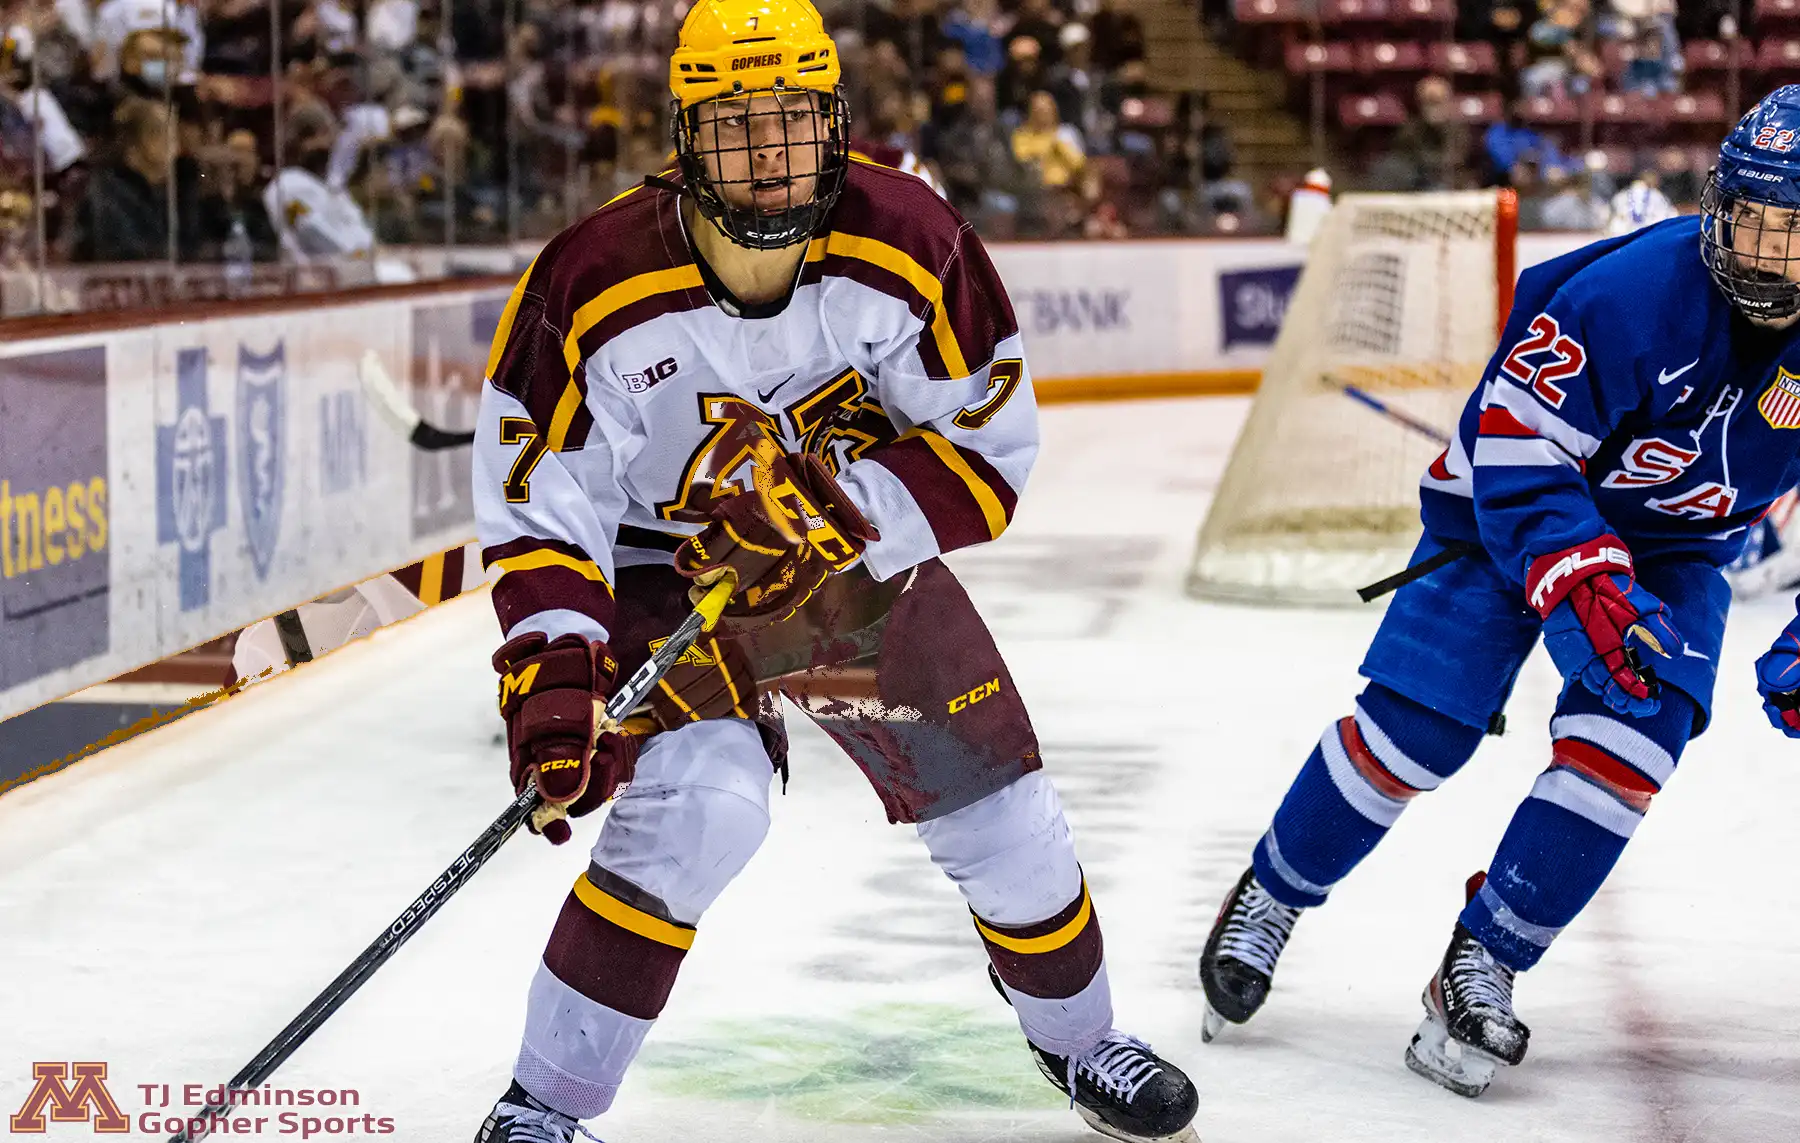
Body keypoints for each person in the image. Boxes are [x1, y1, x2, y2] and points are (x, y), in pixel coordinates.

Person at [467, 2, 1202, 1142]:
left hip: (848, 562)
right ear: (683, 139)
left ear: (836, 123)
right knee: (701, 810)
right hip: (667, 572)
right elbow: (538, 507)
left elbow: (989, 449)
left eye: (796, 124)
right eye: (737, 128)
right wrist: (558, 678)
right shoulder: (592, 279)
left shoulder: (912, 240)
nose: (771, 160)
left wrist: (845, 514)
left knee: (1001, 811)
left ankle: (1080, 1041)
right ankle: (544, 1107)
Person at [1197, 84, 1800, 1099]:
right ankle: (1274, 890)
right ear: (1720, 206)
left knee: (1631, 743)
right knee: (1414, 729)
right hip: (1500, 524)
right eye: (1757, 221)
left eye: (1797, 232)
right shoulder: (1633, 294)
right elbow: (1515, 447)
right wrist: (1579, 573)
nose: (1767, 252)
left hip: (1671, 553)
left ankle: (1486, 960)